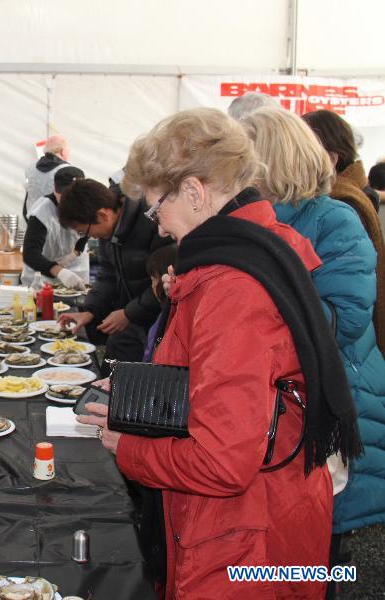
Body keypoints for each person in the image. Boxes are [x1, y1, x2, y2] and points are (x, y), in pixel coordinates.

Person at [78, 107, 360, 598]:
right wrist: (135, 392)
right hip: (269, 510)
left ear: (194, 191)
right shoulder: (258, 247)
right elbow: (222, 378)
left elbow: (222, 463)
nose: (160, 228)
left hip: (245, 540)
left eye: (156, 207)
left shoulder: (232, 285)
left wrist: (130, 448)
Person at [241, 108, 385, 587]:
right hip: (292, 424)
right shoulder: (252, 224)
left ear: (267, 162)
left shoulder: (333, 219)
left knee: (338, 569)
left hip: (341, 419)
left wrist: (253, 298)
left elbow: (340, 321)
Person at [56, 178, 173, 367]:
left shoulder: (152, 220)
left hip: (158, 320)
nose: (90, 237)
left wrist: (129, 313)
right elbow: (108, 273)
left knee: (123, 362)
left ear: (102, 215)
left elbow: (163, 283)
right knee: (112, 358)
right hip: (135, 315)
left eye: (85, 232)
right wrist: (90, 310)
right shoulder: (109, 231)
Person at [302, 109, 385, 352]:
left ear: (331, 158)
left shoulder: (341, 205)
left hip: (349, 353)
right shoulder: (350, 196)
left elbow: (347, 309)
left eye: (304, 152)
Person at [21, 165, 89, 288]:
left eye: (73, 196)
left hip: (76, 266)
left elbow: (87, 233)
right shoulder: (41, 212)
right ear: (55, 189)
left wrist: (75, 253)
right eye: (64, 195)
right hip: (42, 270)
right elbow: (30, 253)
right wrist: (58, 270)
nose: (68, 201)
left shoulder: (87, 205)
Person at [23, 134, 69, 220]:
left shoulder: (29, 169)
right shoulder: (66, 170)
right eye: (68, 150)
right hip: (55, 225)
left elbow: (28, 196)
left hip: (32, 221)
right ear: (62, 151)